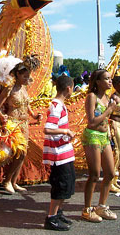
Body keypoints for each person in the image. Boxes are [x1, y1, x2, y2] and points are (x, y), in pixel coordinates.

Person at [0, 55, 43, 193]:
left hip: (24, 124)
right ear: (17, 75)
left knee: (23, 153)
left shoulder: (24, 89)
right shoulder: (9, 89)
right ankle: (7, 180)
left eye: (28, 76)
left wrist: (35, 115)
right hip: (13, 124)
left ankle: (13, 182)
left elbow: (27, 107)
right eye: (25, 76)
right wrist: (3, 118)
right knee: (19, 153)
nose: (27, 79)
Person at [81, 69, 117, 222]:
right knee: (94, 174)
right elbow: (91, 121)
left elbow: (104, 121)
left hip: (104, 137)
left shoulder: (107, 97)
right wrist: (109, 110)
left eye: (110, 78)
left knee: (110, 173)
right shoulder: (92, 97)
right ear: (97, 81)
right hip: (92, 137)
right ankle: (87, 209)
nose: (110, 81)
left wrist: (109, 131)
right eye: (107, 79)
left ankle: (101, 206)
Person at [43, 75, 76, 231]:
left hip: (65, 153)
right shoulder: (56, 106)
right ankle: (51, 217)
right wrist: (66, 131)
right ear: (68, 88)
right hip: (58, 155)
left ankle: (58, 213)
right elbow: (48, 128)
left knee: (66, 185)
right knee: (60, 185)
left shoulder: (60, 106)